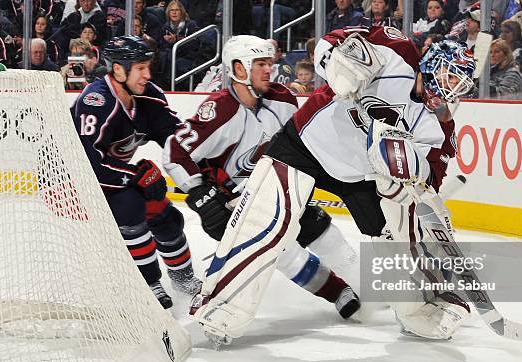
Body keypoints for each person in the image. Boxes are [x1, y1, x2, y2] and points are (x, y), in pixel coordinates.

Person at [187, 27, 476, 345]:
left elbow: (430, 180)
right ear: (433, 64)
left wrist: (412, 178)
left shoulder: (440, 126)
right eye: (450, 78)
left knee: (396, 233)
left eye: (458, 85)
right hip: (306, 144)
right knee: (264, 217)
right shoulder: (398, 49)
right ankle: (221, 306)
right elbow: (330, 41)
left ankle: (420, 309)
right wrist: (341, 63)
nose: (452, 90)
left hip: (360, 173)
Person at [163, 35, 361, 320]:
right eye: (260, 64)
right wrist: (200, 196)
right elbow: (174, 153)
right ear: (239, 69)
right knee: (286, 253)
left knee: (329, 238)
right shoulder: (218, 110)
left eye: (269, 63)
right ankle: (338, 292)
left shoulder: (282, 100)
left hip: (282, 191)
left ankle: (378, 295)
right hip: (236, 207)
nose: (269, 69)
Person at [70, 36, 202, 308]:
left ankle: (185, 281)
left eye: (147, 66)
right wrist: (134, 176)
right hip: (71, 178)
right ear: (118, 69)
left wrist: (205, 169)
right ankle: (149, 283)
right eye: (140, 68)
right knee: (131, 206)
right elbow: (87, 162)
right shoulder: (96, 101)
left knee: (166, 215)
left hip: (109, 173)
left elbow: (173, 136)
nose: (147, 74)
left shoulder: (149, 95)